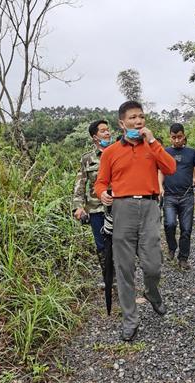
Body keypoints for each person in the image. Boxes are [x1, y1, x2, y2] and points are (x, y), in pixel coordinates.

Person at [94, 100, 176, 342]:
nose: (138, 121)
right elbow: (100, 182)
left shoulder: (153, 146)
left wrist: (152, 142)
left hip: (150, 206)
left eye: (141, 116)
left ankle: (151, 292)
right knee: (124, 268)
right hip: (122, 209)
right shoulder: (110, 153)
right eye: (132, 117)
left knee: (153, 265)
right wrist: (102, 194)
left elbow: (170, 168)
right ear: (122, 123)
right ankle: (130, 319)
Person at [72, 119, 114, 288]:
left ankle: (121, 274)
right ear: (94, 137)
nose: (107, 133)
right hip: (96, 208)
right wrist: (78, 206)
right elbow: (80, 184)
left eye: (108, 130)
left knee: (120, 242)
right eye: (103, 131)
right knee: (102, 245)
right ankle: (108, 277)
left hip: (119, 207)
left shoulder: (118, 152)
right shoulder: (87, 159)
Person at [158, 123, 195, 270]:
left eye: (179, 137)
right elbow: (160, 171)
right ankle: (172, 247)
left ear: (184, 136)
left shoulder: (191, 153)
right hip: (170, 195)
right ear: (170, 137)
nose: (177, 140)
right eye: (173, 137)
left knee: (186, 229)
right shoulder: (164, 152)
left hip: (187, 196)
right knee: (169, 224)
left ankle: (183, 258)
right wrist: (159, 187)